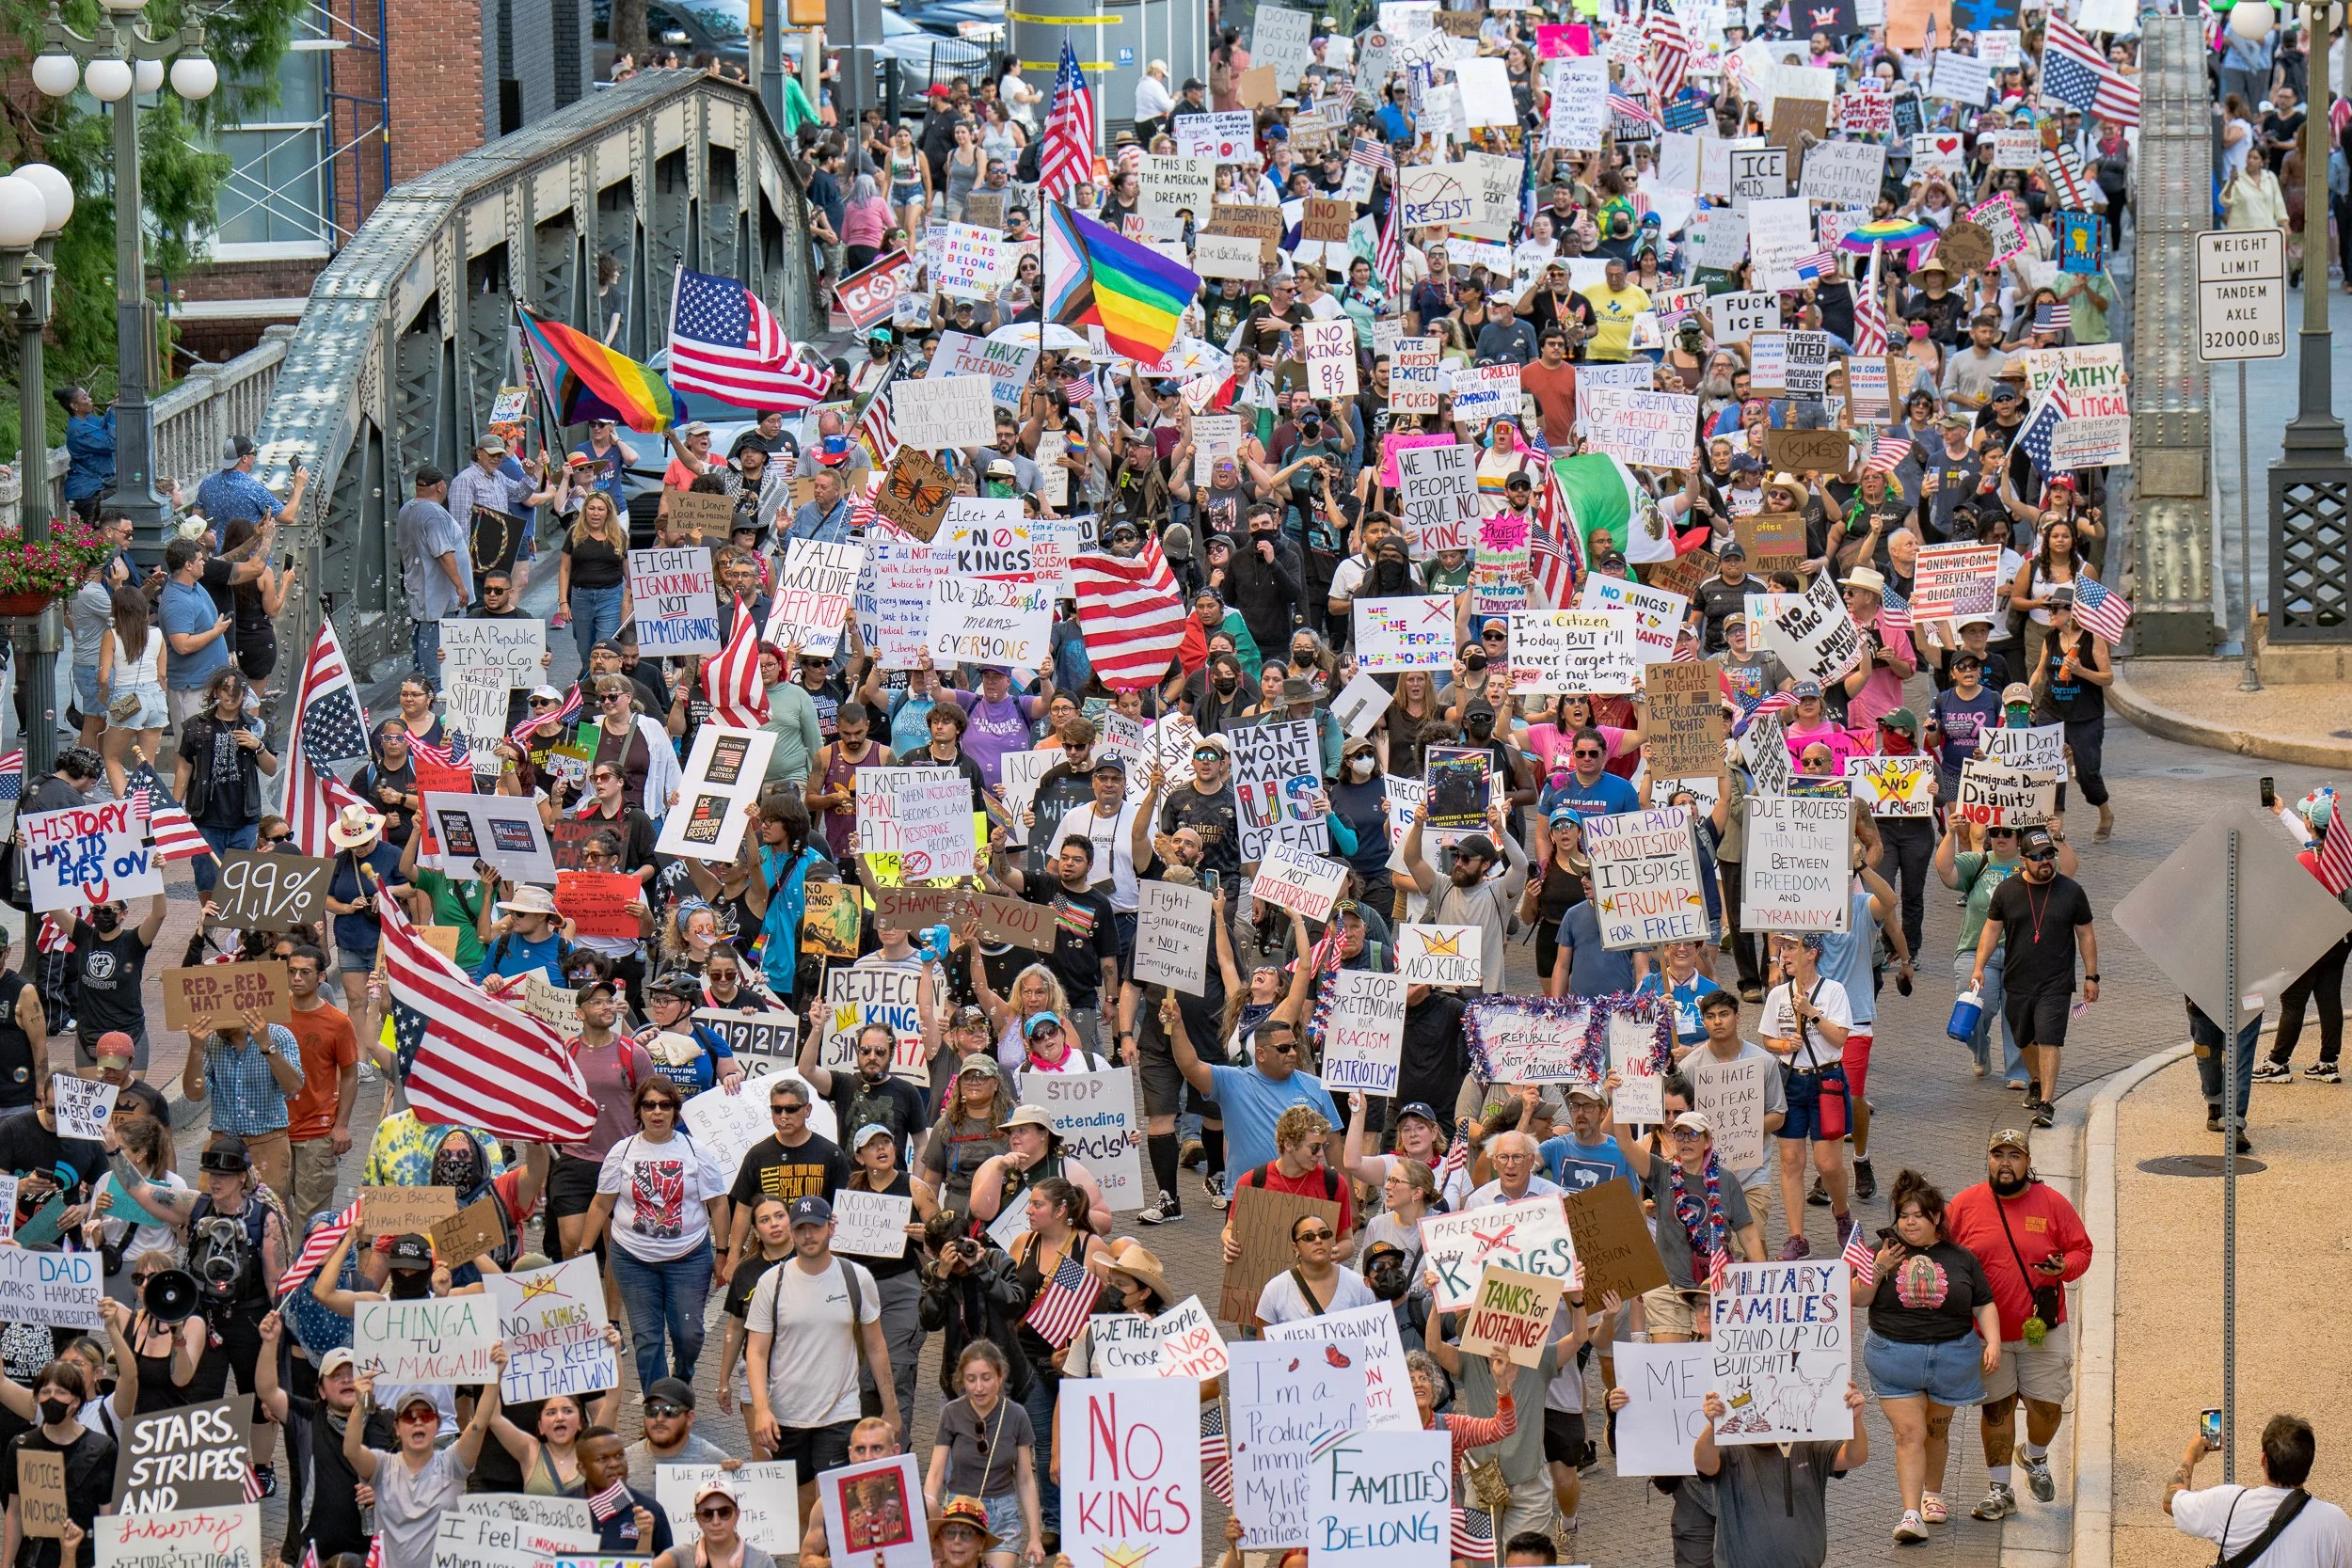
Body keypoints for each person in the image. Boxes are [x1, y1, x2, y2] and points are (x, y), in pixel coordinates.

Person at [1946, 1124, 2092, 1522]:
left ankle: (2035, 1455)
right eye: (1998, 1155)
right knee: (1997, 1410)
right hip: (1986, 1335)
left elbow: (2082, 1249)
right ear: (1989, 1160)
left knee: (2048, 1407)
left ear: (2028, 1163)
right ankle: (1999, 1490)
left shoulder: (2052, 1203)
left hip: (2042, 1329)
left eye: (2014, 1156)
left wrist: (2065, 1268)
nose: (2005, 1163)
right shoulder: (1965, 1205)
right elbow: (1942, 1251)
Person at [1856, 1169, 2001, 1542]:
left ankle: (1932, 1496)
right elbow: (1857, 1299)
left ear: (1936, 1218)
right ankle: (1909, 1514)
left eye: (1917, 1215)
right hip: (1894, 1357)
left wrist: (1995, 1343)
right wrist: (1878, 1270)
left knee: (1936, 1430)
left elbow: (1983, 1303)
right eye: (1904, 1216)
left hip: (1951, 1358)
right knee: (1910, 1432)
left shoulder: (1962, 1258)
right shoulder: (1881, 1252)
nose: (1909, 1222)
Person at [744, 1196, 899, 1507]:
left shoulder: (856, 1278)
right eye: (800, 1229)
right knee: (800, 1507)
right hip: (787, 1415)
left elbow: (876, 1345)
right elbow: (756, 1352)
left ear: (831, 1227)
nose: (807, 1236)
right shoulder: (771, 1283)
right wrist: (761, 1409)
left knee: (837, 1505)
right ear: (791, 1231)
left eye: (814, 1227)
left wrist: (891, 1407)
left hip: (840, 1413)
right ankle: (808, 1557)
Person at [579, 1075, 729, 1392]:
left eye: (665, 1105)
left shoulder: (696, 1151)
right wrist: (582, 1252)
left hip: (688, 1258)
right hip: (633, 1260)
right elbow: (601, 1203)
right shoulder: (622, 1152)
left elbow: (718, 1204)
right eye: (649, 1105)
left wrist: (723, 1253)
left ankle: (681, 1381)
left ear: (675, 1110)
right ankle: (660, 1405)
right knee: (647, 1339)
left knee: (689, 1335)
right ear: (639, 1111)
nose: (657, 1112)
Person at [1970, 824, 2099, 1128]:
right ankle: (2036, 1082)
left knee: (2049, 1039)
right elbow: (1991, 930)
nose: (2045, 861)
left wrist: (2092, 976)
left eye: (2049, 855)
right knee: (2024, 1037)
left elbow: (2086, 934)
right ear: (2023, 860)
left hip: (2056, 982)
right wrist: (1979, 967)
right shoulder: (2008, 891)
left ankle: (2047, 1103)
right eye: (2038, 856)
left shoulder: (2071, 892)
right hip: (2018, 980)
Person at [1693, 1385, 1870, 1566]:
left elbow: (1854, 1457)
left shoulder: (1806, 1441)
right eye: (1743, 1413)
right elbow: (1703, 1463)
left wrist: (1855, 1420)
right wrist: (1713, 1426)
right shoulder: (1729, 1447)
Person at [1758, 933, 1854, 1259]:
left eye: (1790, 949)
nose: (1783, 955)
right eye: (1781, 949)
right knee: (1790, 1161)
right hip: (1791, 1081)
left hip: (1826, 1079)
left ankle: (1842, 1214)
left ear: (1811, 954)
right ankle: (1796, 1236)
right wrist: (1784, 1046)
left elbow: (1840, 1038)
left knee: (1828, 1164)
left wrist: (1811, 1011)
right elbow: (1767, 1038)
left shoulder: (1834, 991)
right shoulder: (1777, 995)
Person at [923, 1341, 1043, 1568]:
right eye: (971, 1379)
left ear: (1001, 1376)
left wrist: (1035, 1536)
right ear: (962, 1380)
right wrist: (930, 1522)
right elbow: (936, 1473)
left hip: (1002, 1514)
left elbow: (1026, 1479)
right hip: (960, 1513)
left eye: (986, 1378)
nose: (979, 1387)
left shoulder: (1016, 1415)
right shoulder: (951, 1413)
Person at [2167, 1412, 2352, 1559]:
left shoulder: (2228, 1505)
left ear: (2263, 1459)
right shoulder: (2336, 1522)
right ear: (2309, 1463)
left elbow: (2171, 1500)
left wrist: (2191, 1454)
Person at [179, 1004, 306, 1203]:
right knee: (212, 1210)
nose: (213, 1020)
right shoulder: (210, 1040)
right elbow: (194, 1094)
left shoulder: (279, 1035)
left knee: (265, 1213)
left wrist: (266, 1046)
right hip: (223, 1144)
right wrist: (195, 1048)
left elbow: (294, 1087)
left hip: (267, 1144)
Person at [279, 944, 358, 1227]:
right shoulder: (273, 1012)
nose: (297, 978)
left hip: (317, 1132)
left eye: (304, 972)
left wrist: (341, 1125)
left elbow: (349, 1074)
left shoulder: (338, 1023)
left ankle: (303, 1270)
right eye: (292, 971)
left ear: (322, 977)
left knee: (310, 1218)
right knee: (274, 1213)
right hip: (275, 1132)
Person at [397, 467, 470, 687]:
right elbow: (443, 552)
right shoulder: (434, 513)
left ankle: (421, 678)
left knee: (422, 632)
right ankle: (432, 682)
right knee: (434, 633)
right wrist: (460, 585)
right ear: (440, 486)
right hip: (437, 586)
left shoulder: (407, 509)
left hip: (419, 580)